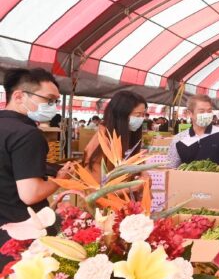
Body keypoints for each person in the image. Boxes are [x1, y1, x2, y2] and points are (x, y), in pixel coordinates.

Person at [0, 68, 75, 267]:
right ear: (19, 96)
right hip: (22, 233)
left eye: (55, 101)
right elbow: (31, 194)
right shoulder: (27, 135)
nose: (53, 107)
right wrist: (60, 180)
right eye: (48, 100)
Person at [83, 91, 147, 180]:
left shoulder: (128, 134)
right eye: (138, 115)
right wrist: (133, 186)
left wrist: (142, 172)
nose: (141, 119)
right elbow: (96, 182)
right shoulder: (102, 140)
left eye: (143, 114)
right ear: (121, 114)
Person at [168, 95, 219, 168]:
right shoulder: (179, 139)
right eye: (201, 111)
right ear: (190, 113)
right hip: (189, 175)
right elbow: (172, 167)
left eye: (209, 111)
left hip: (218, 175)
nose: (206, 114)